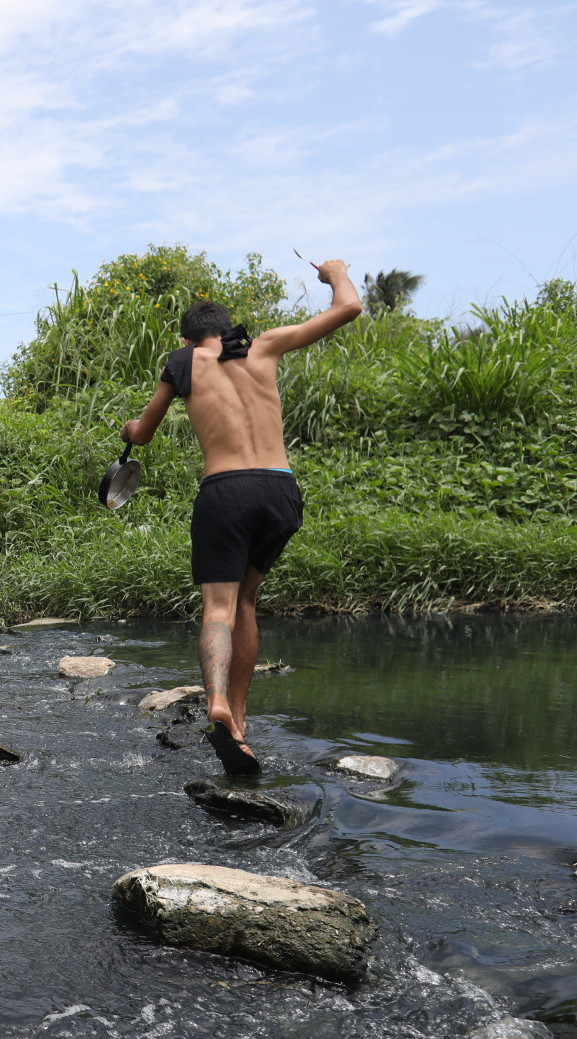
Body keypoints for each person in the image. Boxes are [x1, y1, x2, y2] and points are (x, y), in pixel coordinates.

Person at [120, 259, 361, 775]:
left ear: (189, 338)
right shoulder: (265, 344)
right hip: (281, 490)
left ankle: (217, 703)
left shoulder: (181, 362)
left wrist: (128, 428)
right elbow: (349, 306)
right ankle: (242, 720)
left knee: (218, 609)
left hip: (226, 490)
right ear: (227, 330)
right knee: (248, 599)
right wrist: (336, 271)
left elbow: (143, 433)